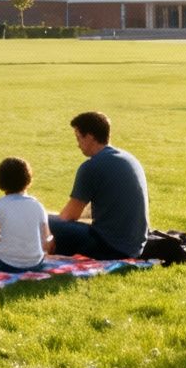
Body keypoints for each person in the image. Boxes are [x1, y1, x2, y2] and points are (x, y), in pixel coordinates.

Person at [48, 111, 149, 260]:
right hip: (135, 246)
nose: (78, 145)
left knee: (42, 219)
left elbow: (69, 216)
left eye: (78, 138)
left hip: (109, 247)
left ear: (89, 137)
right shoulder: (128, 158)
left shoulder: (91, 167)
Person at [0, 157, 51, 273]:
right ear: (28, 180)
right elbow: (46, 239)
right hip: (36, 264)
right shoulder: (38, 205)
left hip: (7, 264)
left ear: (0, 181)